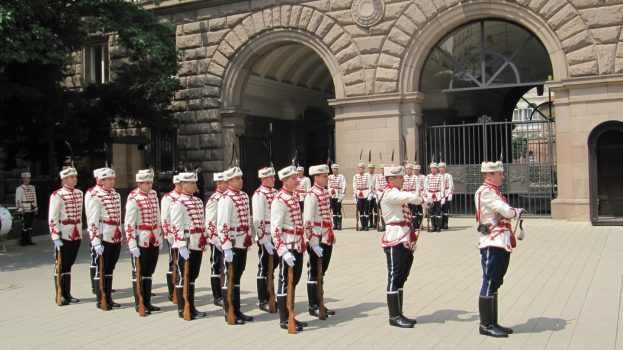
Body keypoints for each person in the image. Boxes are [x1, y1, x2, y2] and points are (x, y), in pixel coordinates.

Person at [475, 161, 523, 337]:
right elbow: (505, 211)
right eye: (499, 173)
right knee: (489, 281)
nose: (502, 176)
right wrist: (515, 211)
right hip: (492, 242)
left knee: (495, 282)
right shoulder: (486, 192)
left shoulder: (494, 191)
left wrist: (512, 211)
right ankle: (486, 325)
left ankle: (493, 322)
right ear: (489, 175)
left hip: (501, 241)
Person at [379, 165, 428, 328]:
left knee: (401, 277)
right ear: (391, 179)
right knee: (395, 275)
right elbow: (406, 197)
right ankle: (394, 316)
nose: (403, 179)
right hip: (395, 238)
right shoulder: (389, 193)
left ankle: (399, 312)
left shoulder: (396, 193)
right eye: (400, 177)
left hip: (404, 237)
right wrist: (421, 199)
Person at [272, 165, 307, 332]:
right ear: (285, 180)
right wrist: (283, 251)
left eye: (296, 177)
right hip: (288, 246)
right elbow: (275, 229)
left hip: (297, 244)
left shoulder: (292, 197)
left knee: (293, 283)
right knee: (285, 281)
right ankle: (284, 319)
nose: (297, 180)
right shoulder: (280, 199)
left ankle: (291, 314)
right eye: (293, 178)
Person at [217, 166, 254, 324]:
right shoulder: (227, 198)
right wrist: (226, 247)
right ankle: (229, 312)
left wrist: (248, 238)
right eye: (237, 179)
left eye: (241, 178)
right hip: (232, 243)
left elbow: (247, 220)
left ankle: (237, 310)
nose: (241, 181)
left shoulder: (244, 196)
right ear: (229, 181)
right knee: (229, 278)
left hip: (242, 241)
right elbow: (222, 224)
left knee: (237, 277)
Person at [171, 172, 209, 320]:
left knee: (192, 276)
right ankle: (182, 308)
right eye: (191, 183)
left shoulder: (198, 202)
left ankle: (191, 306)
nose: (194, 185)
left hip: (196, 243)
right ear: (183, 185)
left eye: (195, 183)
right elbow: (176, 225)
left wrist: (203, 239)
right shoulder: (178, 203)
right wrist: (180, 245)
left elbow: (201, 223)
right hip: (186, 243)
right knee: (183, 276)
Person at [125, 169, 162, 315]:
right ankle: (139, 303)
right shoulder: (133, 197)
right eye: (147, 183)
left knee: (149, 272)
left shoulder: (153, 195)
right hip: (142, 238)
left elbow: (158, 216)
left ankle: (148, 302)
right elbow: (129, 223)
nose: (150, 185)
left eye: (151, 182)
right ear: (139, 184)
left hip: (153, 237)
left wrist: (159, 236)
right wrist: (132, 243)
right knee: (139, 272)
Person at [303, 164, 336, 318]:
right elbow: (308, 220)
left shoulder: (324, 193)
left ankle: (320, 301)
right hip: (316, 236)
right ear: (316, 178)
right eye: (323, 176)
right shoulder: (311, 195)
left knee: (322, 271)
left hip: (326, 235)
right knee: (314, 272)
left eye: (326, 175)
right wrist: (312, 242)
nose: (326, 178)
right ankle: (313, 305)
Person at [87, 167, 122, 310]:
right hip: (103, 235)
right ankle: (100, 298)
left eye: (113, 179)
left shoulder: (116, 195)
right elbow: (92, 221)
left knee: (109, 269)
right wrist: (95, 241)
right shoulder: (96, 196)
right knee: (100, 269)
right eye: (109, 179)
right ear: (102, 181)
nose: (112, 181)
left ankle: (108, 297)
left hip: (115, 235)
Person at [48, 166, 83, 305]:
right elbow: (53, 217)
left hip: (76, 233)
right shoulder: (57, 195)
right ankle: (59, 294)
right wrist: (55, 236)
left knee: (69, 264)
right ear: (64, 179)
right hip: (64, 233)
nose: (75, 179)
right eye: (72, 177)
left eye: (75, 176)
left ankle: (67, 293)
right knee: (60, 265)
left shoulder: (79, 193)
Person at [251, 167, 279, 313]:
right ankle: (263, 300)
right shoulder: (258, 195)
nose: (274, 179)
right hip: (266, 236)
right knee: (264, 268)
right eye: (271, 177)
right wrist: (264, 239)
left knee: (273, 266)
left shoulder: (275, 192)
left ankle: (271, 296)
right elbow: (257, 219)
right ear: (263, 179)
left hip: (276, 235)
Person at [205, 172, 227, 307]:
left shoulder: (227, 197)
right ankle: (217, 296)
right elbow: (210, 222)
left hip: (226, 238)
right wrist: (214, 238)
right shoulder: (214, 199)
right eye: (226, 181)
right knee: (216, 266)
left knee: (225, 266)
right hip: (217, 239)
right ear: (219, 183)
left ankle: (225, 292)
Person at [161, 175, 181, 302]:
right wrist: (170, 236)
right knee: (172, 262)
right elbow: (165, 219)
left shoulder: (186, 197)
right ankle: (172, 291)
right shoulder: (168, 198)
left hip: (184, 236)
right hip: (173, 236)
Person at [86, 169, 104, 295]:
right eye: (100, 178)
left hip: (107, 231)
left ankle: (103, 283)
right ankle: (95, 285)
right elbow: (89, 213)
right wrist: (92, 230)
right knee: (95, 258)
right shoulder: (92, 193)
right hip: (96, 229)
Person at [16, 171, 38, 246]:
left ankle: (29, 240)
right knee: (25, 225)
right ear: (23, 179)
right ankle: (23, 241)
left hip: (31, 207)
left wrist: (35, 209)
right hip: (24, 208)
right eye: (25, 178)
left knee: (30, 225)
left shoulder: (32, 187)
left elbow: (34, 198)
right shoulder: (20, 188)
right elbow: (18, 200)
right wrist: (20, 210)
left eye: (28, 178)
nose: (27, 179)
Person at [424, 163, 445, 232]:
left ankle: (438, 227)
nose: (433, 169)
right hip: (430, 196)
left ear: (437, 169)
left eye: (435, 168)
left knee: (438, 211)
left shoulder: (440, 176)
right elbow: (425, 187)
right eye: (432, 168)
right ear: (430, 169)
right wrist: (426, 196)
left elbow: (442, 187)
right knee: (432, 212)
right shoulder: (427, 177)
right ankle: (433, 226)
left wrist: (442, 197)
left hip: (438, 195)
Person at [352, 162, 371, 231]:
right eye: (359, 168)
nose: (360, 169)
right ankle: (362, 225)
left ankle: (366, 226)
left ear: (364, 168)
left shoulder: (367, 175)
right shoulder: (355, 176)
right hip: (358, 194)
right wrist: (354, 195)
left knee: (366, 210)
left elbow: (370, 185)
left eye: (361, 168)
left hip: (365, 194)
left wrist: (369, 195)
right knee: (361, 211)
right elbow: (354, 186)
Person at [327, 164, 345, 230]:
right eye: (333, 169)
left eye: (335, 169)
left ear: (337, 169)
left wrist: (342, 195)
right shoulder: (330, 176)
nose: (334, 170)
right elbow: (328, 186)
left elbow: (344, 186)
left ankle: (339, 224)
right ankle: (335, 225)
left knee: (338, 209)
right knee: (333, 210)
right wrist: (330, 191)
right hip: (332, 195)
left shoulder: (341, 176)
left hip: (338, 194)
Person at [402, 165, 418, 231]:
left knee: (413, 212)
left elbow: (418, 188)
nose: (408, 170)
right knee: (406, 211)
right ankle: (407, 225)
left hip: (412, 195)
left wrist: (416, 196)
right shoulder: (403, 177)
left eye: (410, 169)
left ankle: (413, 226)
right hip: (405, 196)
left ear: (412, 170)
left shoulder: (415, 177)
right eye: (407, 169)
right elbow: (401, 187)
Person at [439, 162, 454, 230]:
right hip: (439, 194)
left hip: (447, 193)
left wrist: (450, 194)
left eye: (442, 167)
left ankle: (445, 224)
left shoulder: (448, 176)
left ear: (445, 168)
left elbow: (451, 186)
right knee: (440, 209)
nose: (441, 169)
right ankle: (440, 224)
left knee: (445, 209)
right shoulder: (438, 175)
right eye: (440, 167)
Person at [374, 164, 388, 231]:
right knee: (381, 211)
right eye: (382, 168)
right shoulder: (378, 177)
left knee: (387, 211)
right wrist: (378, 195)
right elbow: (376, 186)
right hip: (380, 195)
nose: (383, 169)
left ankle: (387, 224)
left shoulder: (388, 176)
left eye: (384, 168)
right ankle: (383, 224)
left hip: (387, 194)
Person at [413, 165, 426, 229]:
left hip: (421, 194)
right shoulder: (412, 177)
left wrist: (423, 194)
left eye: (416, 169)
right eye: (414, 169)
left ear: (419, 170)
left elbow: (425, 186)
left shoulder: (423, 177)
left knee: (420, 210)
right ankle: (415, 224)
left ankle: (420, 224)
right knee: (414, 210)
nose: (415, 171)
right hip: (414, 195)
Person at [367, 163, 379, 229]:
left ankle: (375, 223)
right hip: (369, 194)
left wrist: (375, 192)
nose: (370, 169)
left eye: (371, 168)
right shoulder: (367, 175)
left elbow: (377, 185)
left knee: (376, 209)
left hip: (375, 194)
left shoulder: (376, 176)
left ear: (374, 169)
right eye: (369, 168)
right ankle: (370, 223)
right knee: (369, 209)